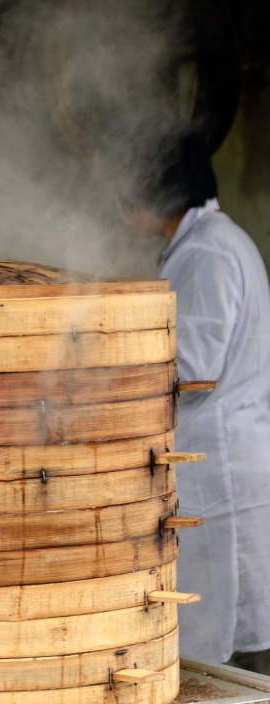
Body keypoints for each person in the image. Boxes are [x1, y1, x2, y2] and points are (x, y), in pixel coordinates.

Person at [125, 126, 270, 667]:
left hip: (223, 469)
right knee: (239, 634)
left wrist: (116, 369)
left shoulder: (208, 251)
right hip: (230, 460)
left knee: (231, 649)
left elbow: (195, 366)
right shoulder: (209, 241)